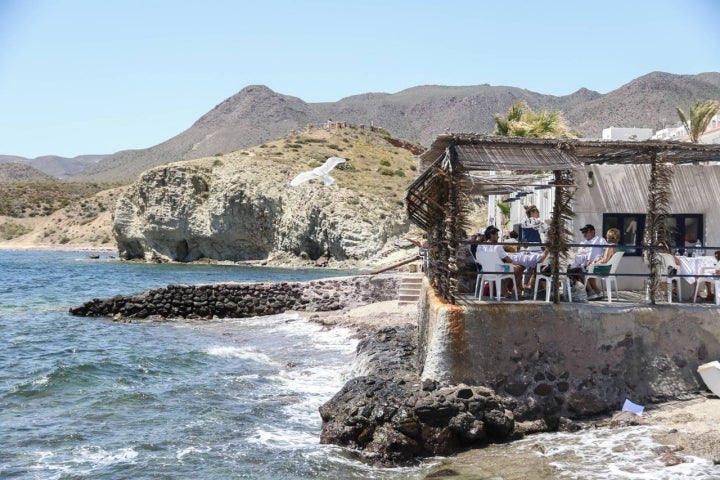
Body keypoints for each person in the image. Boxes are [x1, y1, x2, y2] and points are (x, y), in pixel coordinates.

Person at [478, 226, 524, 296]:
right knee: (520, 268)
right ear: (491, 235)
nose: (498, 237)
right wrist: (516, 263)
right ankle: (513, 292)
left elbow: (480, 259)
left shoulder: (480, 246)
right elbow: (508, 259)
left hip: (484, 270)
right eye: (496, 235)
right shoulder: (497, 247)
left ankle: (504, 290)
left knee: (509, 269)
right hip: (497, 270)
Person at [569, 224, 608, 299]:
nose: (584, 234)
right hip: (587, 265)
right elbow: (579, 254)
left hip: (596, 265)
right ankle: (596, 291)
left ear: (593, 232)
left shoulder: (600, 240)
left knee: (578, 271)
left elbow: (607, 250)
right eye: (583, 232)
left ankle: (590, 292)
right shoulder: (583, 243)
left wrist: (600, 259)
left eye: (586, 232)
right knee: (578, 268)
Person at [586, 227, 621, 298]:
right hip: (610, 270)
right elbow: (608, 259)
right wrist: (598, 260)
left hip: (605, 270)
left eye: (607, 236)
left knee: (586, 270)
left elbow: (605, 260)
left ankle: (591, 292)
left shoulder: (610, 247)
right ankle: (597, 292)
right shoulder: (617, 247)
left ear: (608, 237)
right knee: (590, 268)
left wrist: (595, 262)